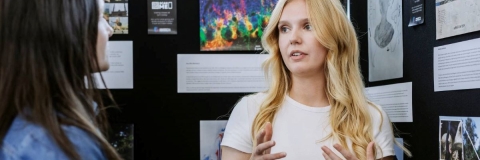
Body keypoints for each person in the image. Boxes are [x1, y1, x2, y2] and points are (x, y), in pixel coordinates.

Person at [220, 0, 412, 159]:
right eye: (284, 29)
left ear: (333, 36)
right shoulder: (250, 111)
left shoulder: (371, 119)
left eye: (308, 26)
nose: (293, 38)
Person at [0, 0, 122, 159]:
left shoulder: (27, 125)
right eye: (99, 16)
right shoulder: (60, 144)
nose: (110, 29)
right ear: (66, 27)